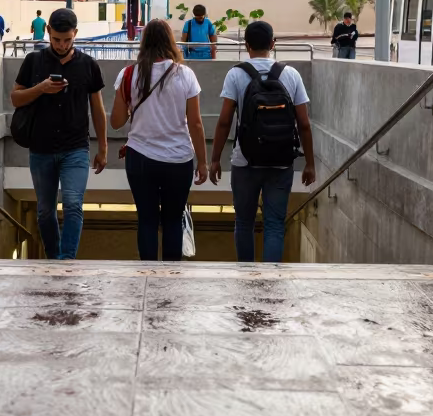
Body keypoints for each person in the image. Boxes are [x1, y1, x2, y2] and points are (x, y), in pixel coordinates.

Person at [209, 22, 316, 262]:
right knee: (275, 224)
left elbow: (225, 121)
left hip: (244, 162)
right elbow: (304, 124)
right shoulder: (291, 74)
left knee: (244, 222)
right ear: (273, 44)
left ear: (246, 46)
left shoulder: (236, 74)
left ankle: (246, 276)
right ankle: (271, 280)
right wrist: (309, 163)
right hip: (281, 162)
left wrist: (214, 159)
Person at [10, 9, 108, 260]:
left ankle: (66, 261)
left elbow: (98, 109)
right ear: (49, 33)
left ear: (75, 34)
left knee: (74, 204)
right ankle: (53, 259)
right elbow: (16, 98)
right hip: (41, 148)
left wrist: (103, 149)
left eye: (67, 39)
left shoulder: (88, 65)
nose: (62, 45)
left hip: (75, 148)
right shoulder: (34, 61)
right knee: (44, 210)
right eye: (56, 40)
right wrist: (41, 88)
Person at [110, 20, 208, 261]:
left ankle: (148, 274)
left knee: (147, 218)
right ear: (170, 42)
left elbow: (116, 121)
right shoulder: (184, 74)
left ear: (144, 43)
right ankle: (171, 277)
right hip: (178, 159)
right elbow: (195, 123)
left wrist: (132, 105)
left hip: (140, 158)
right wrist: (203, 162)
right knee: (173, 220)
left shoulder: (129, 74)